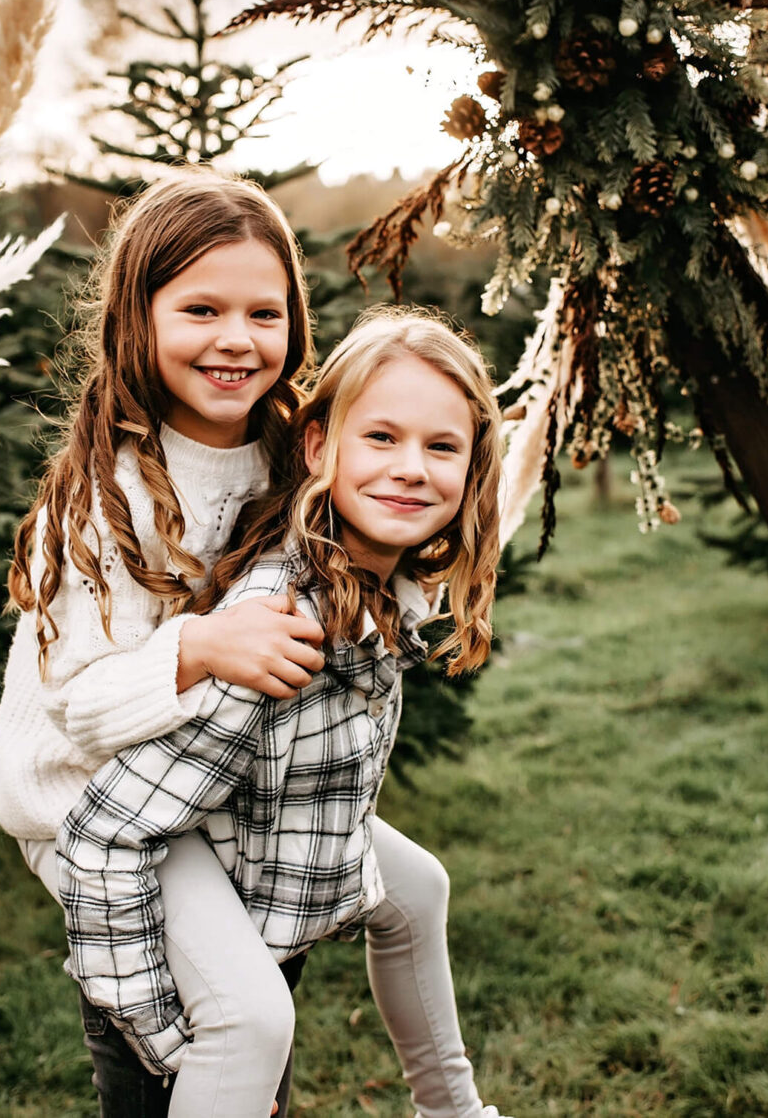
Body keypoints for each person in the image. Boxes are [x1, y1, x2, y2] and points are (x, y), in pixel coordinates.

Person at [57, 307, 506, 1118]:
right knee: (252, 1028)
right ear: (317, 447)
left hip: (255, 839)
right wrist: (173, 1047)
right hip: (157, 923)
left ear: (472, 472)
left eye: (442, 448)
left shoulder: (379, 585)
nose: (411, 468)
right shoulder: (281, 630)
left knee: (417, 889)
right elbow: (106, 833)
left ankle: (454, 1111)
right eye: (381, 438)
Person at [0, 168, 329, 1116]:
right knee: (217, 1029)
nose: (236, 339)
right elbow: (84, 707)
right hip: (93, 809)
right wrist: (204, 645)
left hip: (207, 788)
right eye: (202, 309)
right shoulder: (102, 497)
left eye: (265, 313)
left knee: (268, 1023)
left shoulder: (288, 452)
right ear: (139, 319)